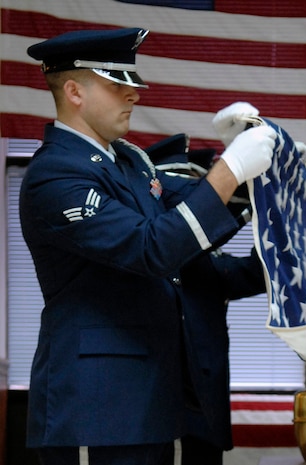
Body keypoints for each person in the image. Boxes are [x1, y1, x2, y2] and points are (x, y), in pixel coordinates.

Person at [20, 28, 275, 465]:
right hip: (96, 404)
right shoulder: (55, 175)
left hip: (148, 398)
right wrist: (232, 168)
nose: (133, 96)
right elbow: (150, 248)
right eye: (117, 84)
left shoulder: (131, 161)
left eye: (132, 84)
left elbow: (196, 206)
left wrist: (246, 166)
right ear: (74, 91)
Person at [147, 133, 267, 465]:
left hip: (205, 412)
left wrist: (269, 210)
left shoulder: (207, 263)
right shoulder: (151, 251)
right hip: (163, 409)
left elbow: (258, 274)